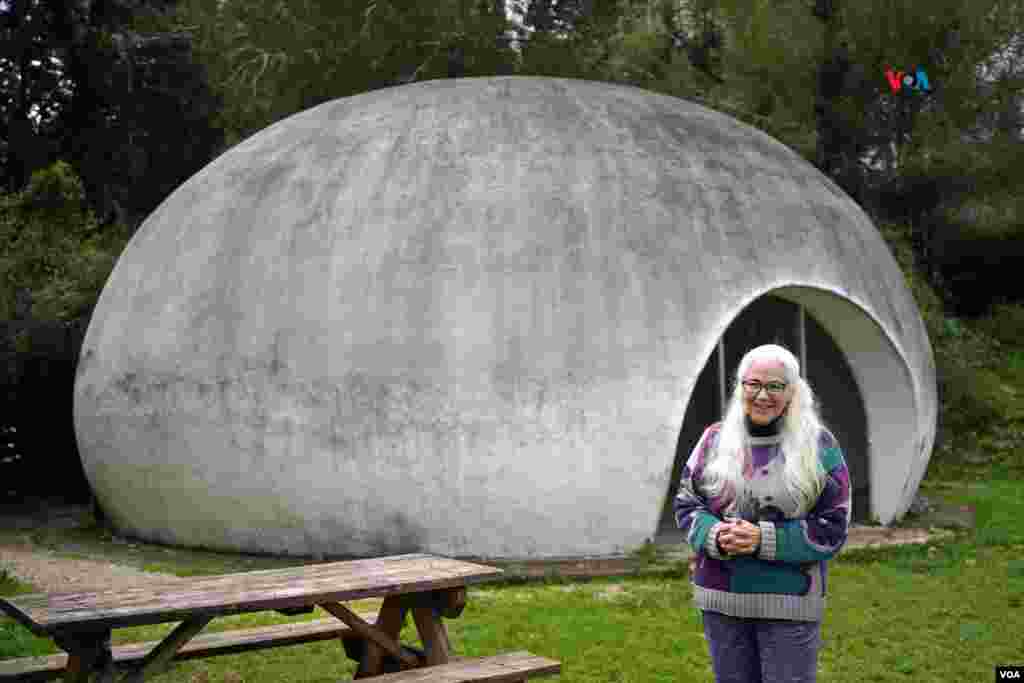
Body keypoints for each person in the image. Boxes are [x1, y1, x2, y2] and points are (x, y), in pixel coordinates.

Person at [674, 344, 852, 683]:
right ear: (740, 387)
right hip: (722, 599)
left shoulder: (819, 445)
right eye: (752, 384)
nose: (762, 395)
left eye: (775, 386)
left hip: (790, 602)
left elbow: (834, 525)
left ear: (793, 392)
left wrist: (761, 539)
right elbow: (686, 502)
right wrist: (715, 535)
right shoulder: (713, 439)